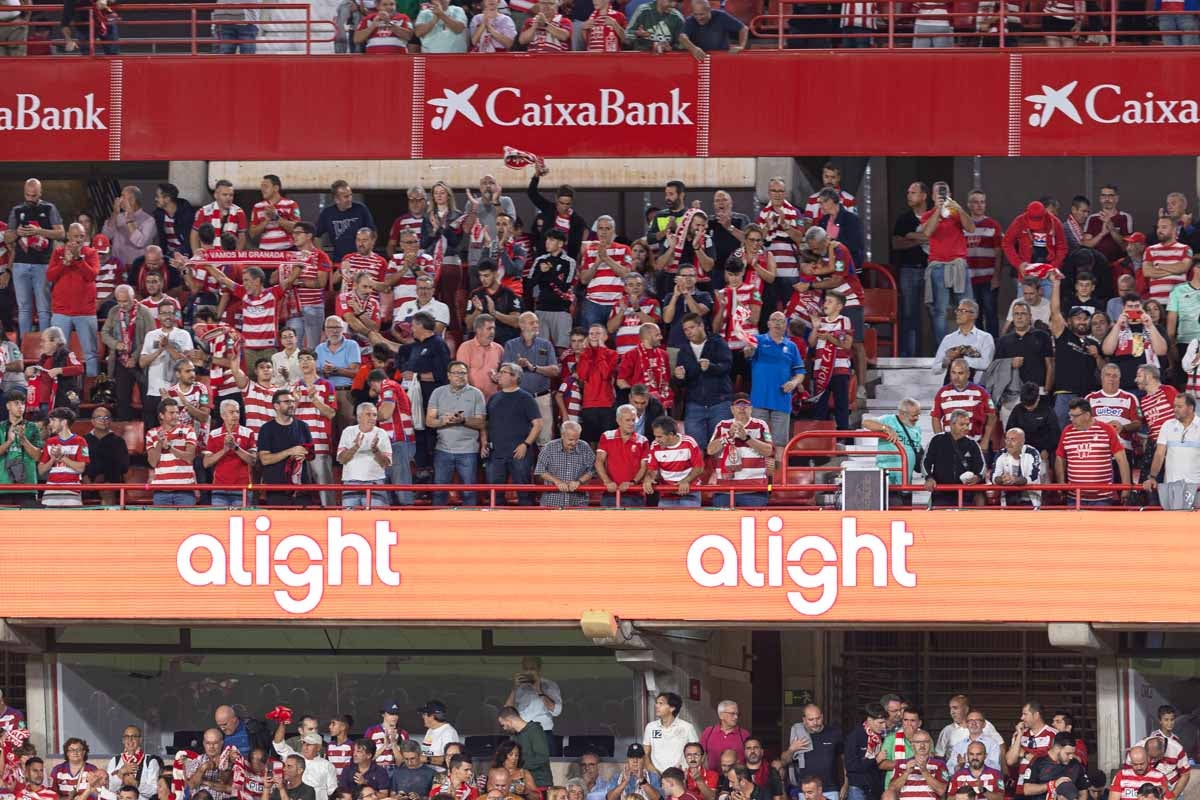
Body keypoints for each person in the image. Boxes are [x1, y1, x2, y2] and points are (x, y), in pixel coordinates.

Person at [6, 178, 65, 336]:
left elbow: (61, 233)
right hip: (20, 265)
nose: (30, 199)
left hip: (42, 265)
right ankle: (25, 344)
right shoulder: (17, 210)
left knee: (43, 308)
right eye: (28, 195)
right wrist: (17, 232)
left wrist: (38, 231)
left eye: (34, 195)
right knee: (24, 308)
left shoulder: (49, 208)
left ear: (40, 193)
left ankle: (44, 345)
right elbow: (8, 238)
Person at [921, 182, 976, 344]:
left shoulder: (957, 213)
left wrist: (958, 209)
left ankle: (970, 345)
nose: (942, 196)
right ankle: (944, 348)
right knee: (940, 310)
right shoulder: (929, 214)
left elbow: (971, 228)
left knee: (968, 306)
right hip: (938, 266)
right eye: (938, 193)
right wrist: (938, 210)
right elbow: (927, 232)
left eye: (944, 193)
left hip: (958, 264)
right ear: (932, 196)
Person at [425, 361, 485, 506]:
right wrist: (444, 421)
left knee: (469, 491)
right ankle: (437, 522)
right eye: (456, 373)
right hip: (443, 450)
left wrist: (463, 420)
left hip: (468, 451)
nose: (460, 376)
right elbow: (429, 421)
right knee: (440, 491)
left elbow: (481, 423)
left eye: (463, 373)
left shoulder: (477, 394)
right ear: (449, 376)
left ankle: (469, 525)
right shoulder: (438, 393)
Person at [47, 222, 100, 377]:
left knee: (90, 353)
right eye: (75, 236)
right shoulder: (58, 252)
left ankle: (91, 391)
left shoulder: (91, 253)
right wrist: (64, 263)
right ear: (68, 236)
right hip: (61, 311)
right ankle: (62, 389)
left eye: (81, 236)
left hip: (85, 312)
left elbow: (92, 275)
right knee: (59, 352)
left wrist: (77, 259)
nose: (78, 240)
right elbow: (50, 276)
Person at [485, 363, 542, 502]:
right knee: (495, 495)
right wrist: (484, 442)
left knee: (524, 494)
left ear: (515, 377)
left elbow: (538, 424)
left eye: (503, 372)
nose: (499, 375)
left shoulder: (526, 398)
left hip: (519, 453)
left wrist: (526, 445)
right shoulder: (494, 398)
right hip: (496, 454)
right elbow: (486, 423)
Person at [503, 313, 559, 446]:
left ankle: (543, 467)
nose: (536, 325)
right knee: (519, 439)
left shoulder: (546, 345)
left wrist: (533, 367)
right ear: (521, 325)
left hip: (542, 398)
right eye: (532, 323)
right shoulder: (511, 345)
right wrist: (516, 366)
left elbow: (555, 371)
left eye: (537, 322)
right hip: (518, 399)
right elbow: (505, 372)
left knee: (545, 440)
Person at [707, 395, 773, 507]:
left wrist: (746, 438)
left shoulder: (761, 425)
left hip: (754, 490)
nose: (742, 408)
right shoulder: (722, 425)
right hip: (724, 490)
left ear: (751, 409)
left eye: (746, 406)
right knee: (722, 523)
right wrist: (728, 435)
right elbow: (710, 450)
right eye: (738, 406)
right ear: (732, 409)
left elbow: (768, 451)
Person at [1143, 391, 1200, 509]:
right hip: (1171, 487)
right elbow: (1159, 454)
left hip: (1197, 487)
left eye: (1179, 406)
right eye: (1174, 406)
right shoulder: (1167, 426)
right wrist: (1152, 477)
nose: (1175, 409)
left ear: (1191, 408)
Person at [258, 388, 314, 506]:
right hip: (277, 489)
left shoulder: (303, 426)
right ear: (276, 406)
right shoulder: (267, 429)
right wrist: (289, 452)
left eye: (293, 401)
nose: (291, 404)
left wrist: (303, 455)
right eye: (287, 402)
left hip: (301, 489)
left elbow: (311, 454)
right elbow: (264, 459)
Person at [368, 369, 415, 506]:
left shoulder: (388, 386)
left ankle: (407, 513)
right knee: (392, 480)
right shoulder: (391, 388)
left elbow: (386, 412)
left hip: (399, 440)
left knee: (401, 482)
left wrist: (368, 415)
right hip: (395, 442)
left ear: (373, 383)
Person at [809, 292, 854, 430]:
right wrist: (816, 327)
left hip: (839, 369)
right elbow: (811, 343)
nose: (825, 304)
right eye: (825, 301)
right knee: (819, 406)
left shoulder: (844, 320)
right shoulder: (820, 321)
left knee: (841, 406)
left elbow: (846, 344)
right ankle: (820, 440)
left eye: (830, 301)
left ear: (839, 306)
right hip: (821, 370)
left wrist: (830, 339)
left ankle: (842, 439)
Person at [525, 229, 576, 350]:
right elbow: (529, 284)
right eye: (547, 239)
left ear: (560, 243)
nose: (547, 242)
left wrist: (550, 272)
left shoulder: (569, 262)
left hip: (561, 310)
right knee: (541, 348)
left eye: (552, 240)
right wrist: (540, 273)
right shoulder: (540, 260)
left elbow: (565, 287)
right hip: (542, 309)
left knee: (562, 348)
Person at [923, 409, 985, 508]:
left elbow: (981, 467)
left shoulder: (973, 444)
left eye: (967, 424)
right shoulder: (937, 440)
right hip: (941, 494)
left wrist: (977, 477)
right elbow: (925, 462)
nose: (965, 428)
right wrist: (928, 478)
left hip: (966, 495)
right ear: (952, 424)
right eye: (962, 424)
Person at [336, 403, 392, 509]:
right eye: (368, 414)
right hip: (351, 482)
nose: (372, 418)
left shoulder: (382, 433)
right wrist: (355, 447)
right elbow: (342, 459)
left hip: (375, 482)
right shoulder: (348, 432)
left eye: (374, 415)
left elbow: (386, 463)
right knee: (349, 520)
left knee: (375, 520)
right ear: (359, 417)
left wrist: (375, 450)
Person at [863, 398, 924, 495]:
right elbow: (866, 422)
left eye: (918, 414)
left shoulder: (917, 428)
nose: (917, 418)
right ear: (902, 413)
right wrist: (885, 428)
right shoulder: (888, 420)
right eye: (914, 415)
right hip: (888, 480)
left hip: (906, 482)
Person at [781, 705, 842, 800]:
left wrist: (845, 784)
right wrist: (792, 749)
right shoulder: (798, 735)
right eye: (811, 719)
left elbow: (844, 759)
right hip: (806, 791)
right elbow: (784, 761)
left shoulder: (834, 733)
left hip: (830, 789)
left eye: (818, 718)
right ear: (804, 719)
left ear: (822, 716)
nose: (815, 722)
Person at [204, 399, 257, 507]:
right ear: (223, 415)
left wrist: (235, 447)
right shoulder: (214, 434)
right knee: (219, 522)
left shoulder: (248, 433)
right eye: (231, 412)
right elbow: (206, 463)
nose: (236, 415)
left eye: (237, 412)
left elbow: (253, 460)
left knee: (241, 521)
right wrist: (225, 449)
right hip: (219, 488)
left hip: (242, 487)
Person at [931, 359, 996, 445]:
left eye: (960, 373)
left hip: (974, 442)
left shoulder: (981, 392)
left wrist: (985, 440)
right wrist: (940, 440)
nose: (956, 377)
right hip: (949, 443)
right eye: (953, 373)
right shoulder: (942, 393)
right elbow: (935, 418)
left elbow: (992, 416)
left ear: (968, 374)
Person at [145, 398, 196, 507]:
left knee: (186, 524)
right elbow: (153, 462)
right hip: (161, 491)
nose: (176, 416)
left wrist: (169, 447)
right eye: (171, 413)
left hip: (185, 490)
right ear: (161, 415)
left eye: (177, 412)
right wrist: (159, 443)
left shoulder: (188, 430)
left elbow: (189, 457)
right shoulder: (151, 433)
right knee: (162, 524)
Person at [644, 415, 704, 508]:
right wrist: (648, 479)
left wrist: (686, 481)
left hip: (690, 493)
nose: (656, 440)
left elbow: (699, 468)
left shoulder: (689, 443)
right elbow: (652, 470)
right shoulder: (655, 445)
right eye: (655, 436)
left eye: (660, 437)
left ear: (671, 435)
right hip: (666, 494)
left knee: (689, 522)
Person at [533, 421, 595, 508]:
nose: (574, 443)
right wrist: (557, 481)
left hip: (578, 502)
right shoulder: (549, 447)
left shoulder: (585, 447)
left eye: (576, 439)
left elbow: (592, 470)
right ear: (562, 435)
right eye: (570, 439)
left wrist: (579, 481)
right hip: (552, 502)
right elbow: (540, 470)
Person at [37, 407, 88, 508]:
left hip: (72, 490)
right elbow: (41, 470)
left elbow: (81, 468)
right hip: (51, 489)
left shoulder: (81, 441)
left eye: (53, 420)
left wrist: (62, 456)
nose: (50, 424)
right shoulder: (50, 442)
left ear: (64, 422)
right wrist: (52, 460)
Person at [931, 299, 995, 379]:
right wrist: (947, 361)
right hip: (952, 387)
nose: (958, 314)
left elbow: (986, 364)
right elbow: (935, 369)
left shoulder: (985, 338)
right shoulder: (948, 339)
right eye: (958, 310)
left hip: (977, 387)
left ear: (974, 315)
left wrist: (960, 358)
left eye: (963, 311)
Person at [577, 323, 618, 444]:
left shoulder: (612, 354)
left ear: (605, 336)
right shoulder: (584, 354)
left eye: (598, 333)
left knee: (607, 441)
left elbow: (605, 374)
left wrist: (601, 350)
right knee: (590, 442)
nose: (594, 336)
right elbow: (583, 375)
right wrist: (588, 352)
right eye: (591, 334)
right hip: (589, 405)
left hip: (606, 404)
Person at [317, 181, 376, 264]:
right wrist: (322, 257)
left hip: (362, 259)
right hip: (339, 260)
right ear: (336, 199)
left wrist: (369, 253)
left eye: (350, 195)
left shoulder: (361, 209)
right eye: (346, 196)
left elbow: (372, 232)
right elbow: (316, 235)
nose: (350, 199)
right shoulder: (327, 213)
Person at [642, 692, 699, 774]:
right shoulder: (650, 727)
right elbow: (645, 754)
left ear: (672, 708)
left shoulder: (687, 727)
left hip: (680, 775)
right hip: (656, 775)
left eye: (661, 703)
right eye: (656, 703)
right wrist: (654, 772)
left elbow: (697, 753)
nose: (656, 706)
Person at [0, 389, 42, 500]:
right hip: (4, 486)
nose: (21, 407)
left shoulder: (32, 427)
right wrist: (8, 441)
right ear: (8, 406)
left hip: (28, 486)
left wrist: (23, 440)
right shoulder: (0, 427)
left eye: (23, 403)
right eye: (16, 403)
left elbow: (37, 456)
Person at [496, 707, 552, 789]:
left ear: (509, 720)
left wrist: (518, 767)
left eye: (503, 725)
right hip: (521, 783)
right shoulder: (513, 737)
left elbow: (542, 757)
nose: (504, 728)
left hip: (540, 783)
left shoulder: (534, 730)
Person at [504, 656, 563, 733]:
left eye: (532, 669)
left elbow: (557, 711)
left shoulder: (549, 685)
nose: (528, 672)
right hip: (521, 731)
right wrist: (514, 688)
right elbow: (506, 712)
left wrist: (539, 690)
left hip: (543, 731)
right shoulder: (518, 686)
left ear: (539, 669)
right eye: (526, 669)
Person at [885, 730, 946, 800]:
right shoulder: (900, 764)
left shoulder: (940, 764)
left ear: (930, 744)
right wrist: (906, 773)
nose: (922, 745)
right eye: (918, 742)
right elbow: (891, 789)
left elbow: (942, 791)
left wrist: (924, 771)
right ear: (912, 744)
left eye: (926, 742)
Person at [991, 428, 1043, 507]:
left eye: (1013, 440)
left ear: (1022, 441)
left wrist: (1015, 480)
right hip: (1008, 502)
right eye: (1007, 439)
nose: (1008, 443)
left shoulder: (1032, 453)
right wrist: (1001, 479)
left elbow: (1033, 478)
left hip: (1030, 501)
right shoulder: (1001, 453)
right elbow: (994, 477)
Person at [844, 704, 886, 800]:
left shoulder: (880, 738)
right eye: (880, 723)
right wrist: (876, 760)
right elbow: (851, 766)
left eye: (884, 723)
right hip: (858, 787)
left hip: (875, 787)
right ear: (869, 720)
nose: (883, 726)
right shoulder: (854, 737)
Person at [679, 0, 746, 57]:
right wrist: (693, 49)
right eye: (696, 14)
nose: (699, 18)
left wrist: (741, 46)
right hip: (700, 57)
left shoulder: (721, 16)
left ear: (709, 10)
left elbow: (743, 28)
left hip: (721, 57)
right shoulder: (690, 20)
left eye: (702, 14)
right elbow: (682, 37)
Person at [698, 701, 750, 772]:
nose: (736, 717)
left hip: (737, 779)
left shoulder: (744, 734)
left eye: (737, 714)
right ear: (721, 715)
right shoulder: (708, 732)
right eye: (732, 714)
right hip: (714, 779)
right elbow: (700, 755)